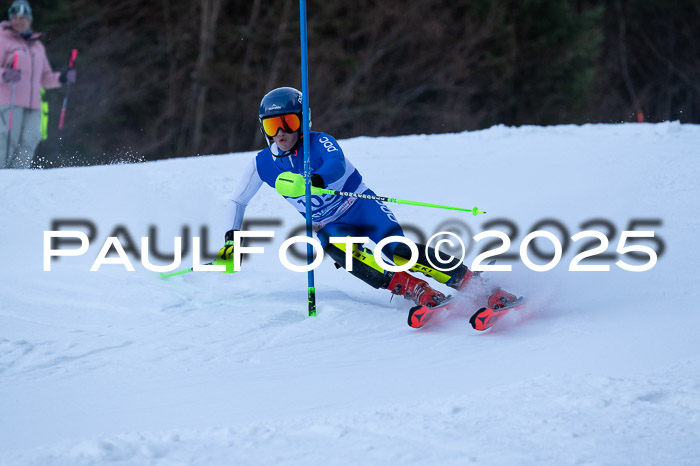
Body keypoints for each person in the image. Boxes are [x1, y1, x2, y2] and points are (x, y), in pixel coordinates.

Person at [219, 87, 516, 317]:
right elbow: (237, 199)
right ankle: (416, 290)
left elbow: (335, 162)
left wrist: (314, 181)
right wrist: (231, 239)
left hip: (361, 206)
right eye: (273, 127)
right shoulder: (263, 164)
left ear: (303, 121)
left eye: (288, 122)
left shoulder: (318, 142)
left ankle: (480, 287)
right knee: (337, 248)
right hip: (332, 225)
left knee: (397, 251)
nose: (281, 132)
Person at [0, 0, 76, 169]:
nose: (19, 21)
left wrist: (62, 78)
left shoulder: (37, 46)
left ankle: (17, 179)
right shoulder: (3, 40)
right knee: (7, 140)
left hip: (33, 104)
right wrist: (6, 74)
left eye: (23, 18)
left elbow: (45, 78)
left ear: (29, 20)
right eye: (16, 18)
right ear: (11, 19)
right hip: (8, 101)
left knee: (30, 139)